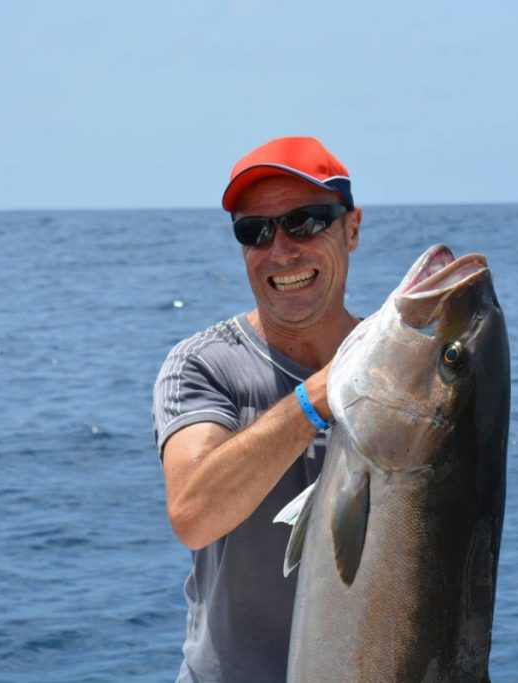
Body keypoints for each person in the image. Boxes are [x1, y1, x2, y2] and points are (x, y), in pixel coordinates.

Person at [152, 137, 362, 682]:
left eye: (306, 222)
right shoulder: (202, 365)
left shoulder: (400, 374)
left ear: (352, 228)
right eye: (255, 232)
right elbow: (194, 515)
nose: (281, 250)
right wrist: (318, 396)